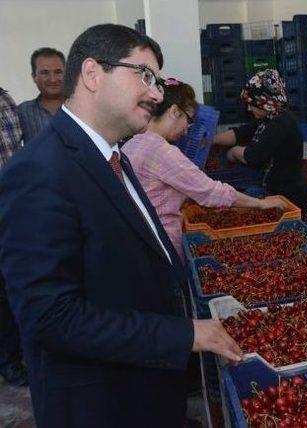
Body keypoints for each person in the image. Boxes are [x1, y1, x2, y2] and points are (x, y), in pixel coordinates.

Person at [0, 24, 242, 427]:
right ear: (93, 74)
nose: (157, 93)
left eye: (158, 80)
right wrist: (183, 335)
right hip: (102, 403)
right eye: (144, 75)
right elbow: (50, 317)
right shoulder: (39, 171)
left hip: (142, 388)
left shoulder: (115, 157)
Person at [122, 77, 286, 260]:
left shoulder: (132, 143)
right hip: (161, 248)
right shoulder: (163, 153)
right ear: (175, 112)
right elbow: (212, 193)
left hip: (140, 244)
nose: (186, 130)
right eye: (189, 120)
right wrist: (261, 203)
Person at [213, 69, 307, 217]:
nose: (249, 108)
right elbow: (241, 133)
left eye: (253, 104)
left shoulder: (281, 123)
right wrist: (211, 140)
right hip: (273, 191)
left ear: (266, 102)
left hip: (288, 196)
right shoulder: (269, 117)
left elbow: (253, 155)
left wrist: (233, 152)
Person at [0, 87, 27, 387]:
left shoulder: (6, 99)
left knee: (14, 283)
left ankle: (18, 354)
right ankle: (9, 362)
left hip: (14, 206)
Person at [17, 47, 66, 143]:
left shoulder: (82, 108)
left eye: (58, 72)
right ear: (34, 77)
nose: (53, 79)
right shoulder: (22, 112)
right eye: (45, 73)